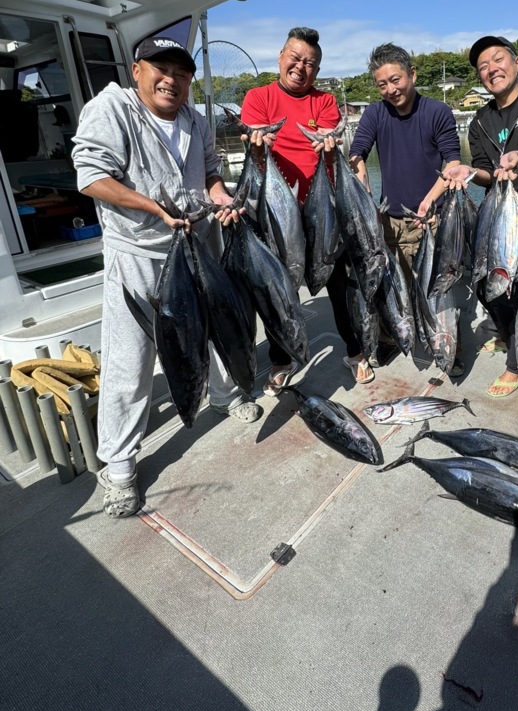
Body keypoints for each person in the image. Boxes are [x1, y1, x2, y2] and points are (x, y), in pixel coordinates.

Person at [71, 37, 262, 519]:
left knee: (214, 328)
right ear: (137, 70)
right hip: (139, 252)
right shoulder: (111, 110)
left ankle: (223, 395)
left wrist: (220, 198)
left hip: (196, 240)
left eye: (181, 73)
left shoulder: (195, 120)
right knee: (131, 357)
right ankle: (119, 466)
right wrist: (152, 207)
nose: (171, 80)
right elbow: (91, 177)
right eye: (161, 69)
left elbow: (212, 174)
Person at [239, 26, 374, 386]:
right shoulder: (258, 97)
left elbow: (331, 155)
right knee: (276, 287)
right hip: (275, 212)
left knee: (339, 283)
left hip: (321, 210)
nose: (301, 67)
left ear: (317, 70)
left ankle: (355, 351)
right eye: (295, 58)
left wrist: (329, 149)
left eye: (310, 63)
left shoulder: (324, 102)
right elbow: (254, 152)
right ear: (280, 57)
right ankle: (281, 359)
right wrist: (257, 147)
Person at [445, 36, 518, 397]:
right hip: (498, 218)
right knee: (491, 286)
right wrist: (470, 172)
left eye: (498, 60)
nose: (491, 69)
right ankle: (507, 335)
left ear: (517, 62)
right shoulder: (480, 120)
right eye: (483, 66)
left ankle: (517, 363)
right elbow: (485, 171)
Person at [347, 42, 463, 370]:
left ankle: (448, 344)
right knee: (388, 288)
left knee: (437, 288)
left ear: (412, 74)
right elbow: (357, 153)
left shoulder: (436, 111)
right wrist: (364, 191)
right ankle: (389, 339)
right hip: (389, 221)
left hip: (431, 218)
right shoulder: (375, 113)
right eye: (382, 84)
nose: (390, 89)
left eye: (395, 80)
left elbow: (453, 160)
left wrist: (429, 199)